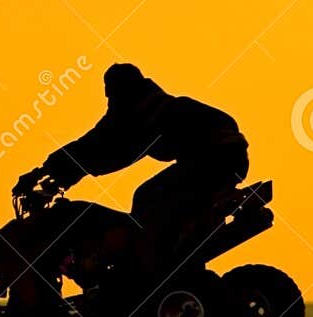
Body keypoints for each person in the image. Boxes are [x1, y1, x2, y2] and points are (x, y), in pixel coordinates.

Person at [14, 63, 249, 269]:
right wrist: (47, 171)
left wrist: (58, 174)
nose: (110, 102)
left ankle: (149, 269)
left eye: (111, 95)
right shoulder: (147, 108)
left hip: (215, 161)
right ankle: (162, 262)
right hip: (220, 160)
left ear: (121, 91)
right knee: (158, 201)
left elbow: (112, 151)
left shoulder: (149, 114)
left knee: (147, 197)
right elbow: (97, 142)